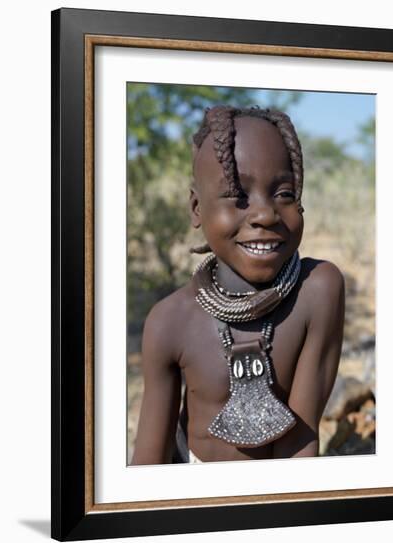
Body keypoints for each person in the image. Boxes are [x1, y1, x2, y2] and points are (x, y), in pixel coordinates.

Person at [130, 105, 345, 465]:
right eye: (238, 196)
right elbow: (148, 463)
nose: (264, 214)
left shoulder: (317, 290)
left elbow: (300, 445)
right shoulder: (170, 321)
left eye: (284, 194)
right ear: (197, 208)